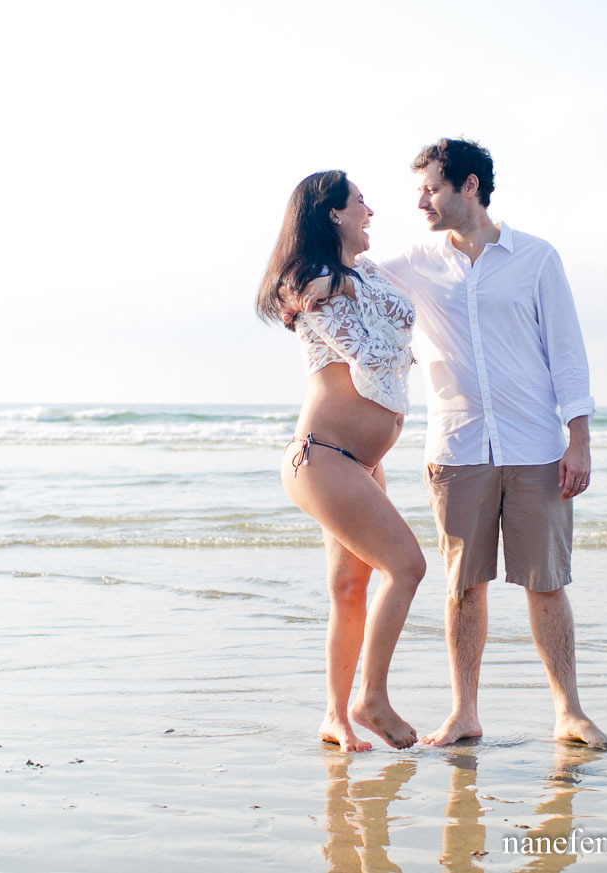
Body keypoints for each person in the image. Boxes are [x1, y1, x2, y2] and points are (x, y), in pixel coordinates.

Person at [380, 138, 607, 750]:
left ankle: (568, 712)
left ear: (469, 186)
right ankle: (464, 713)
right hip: (456, 449)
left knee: (546, 582)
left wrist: (579, 441)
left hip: (536, 446)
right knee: (463, 587)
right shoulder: (414, 261)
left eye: (431, 188)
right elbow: (351, 290)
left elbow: (567, 354)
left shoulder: (537, 259)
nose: (421, 201)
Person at [257, 171, 425, 752]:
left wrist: (367, 301)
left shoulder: (364, 275)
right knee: (407, 567)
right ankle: (371, 699)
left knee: (350, 587)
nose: (371, 211)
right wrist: (377, 319)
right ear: (332, 213)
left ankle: (334, 715)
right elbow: (371, 353)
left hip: (358, 463)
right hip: (323, 458)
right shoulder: (315, 282)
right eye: (360, 202)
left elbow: (398, 325)